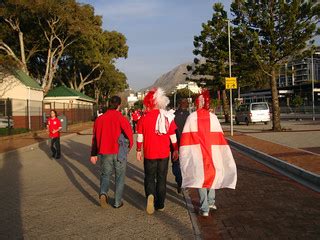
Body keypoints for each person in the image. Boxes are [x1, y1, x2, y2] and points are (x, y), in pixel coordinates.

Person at [179, 90, 237, 217]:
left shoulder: (191, 117)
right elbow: (220, 137)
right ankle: (211, 202)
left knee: (200, 178)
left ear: (197, 103)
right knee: (212, 174)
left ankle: (205, 207)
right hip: (212, 153)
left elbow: (185, 139)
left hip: (197, 153)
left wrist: (184, 153)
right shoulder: (213, 117)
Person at [136, 88, 179, 214]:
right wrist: (175, 150)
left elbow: (140, 137)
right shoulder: (167, 118)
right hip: (164, 154)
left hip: (149, 153)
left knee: (149, 177)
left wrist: (138, 150)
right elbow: (173, 136)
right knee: (161, 179)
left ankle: (150, 195)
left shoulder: (143, 119)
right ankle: (160, 204)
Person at [90, 96, 133, 209]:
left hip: (105, 151)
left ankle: (103, 193)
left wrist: (93, 154)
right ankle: (117, 202)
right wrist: (128, 148)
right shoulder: (121, 118)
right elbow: (129, 134)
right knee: (119, 177)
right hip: (119, 152)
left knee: (105, 174)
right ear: (119, 105)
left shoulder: (99, 119)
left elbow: (95, 138)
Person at [171, 98, 190, 193]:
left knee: (176, 163)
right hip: (186, 144)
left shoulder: (173, 116)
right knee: (185, 163)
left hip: (175, 144)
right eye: (187, 103)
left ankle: (179, 181)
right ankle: (184, 182)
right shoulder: (189, 116)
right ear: (185, 104)